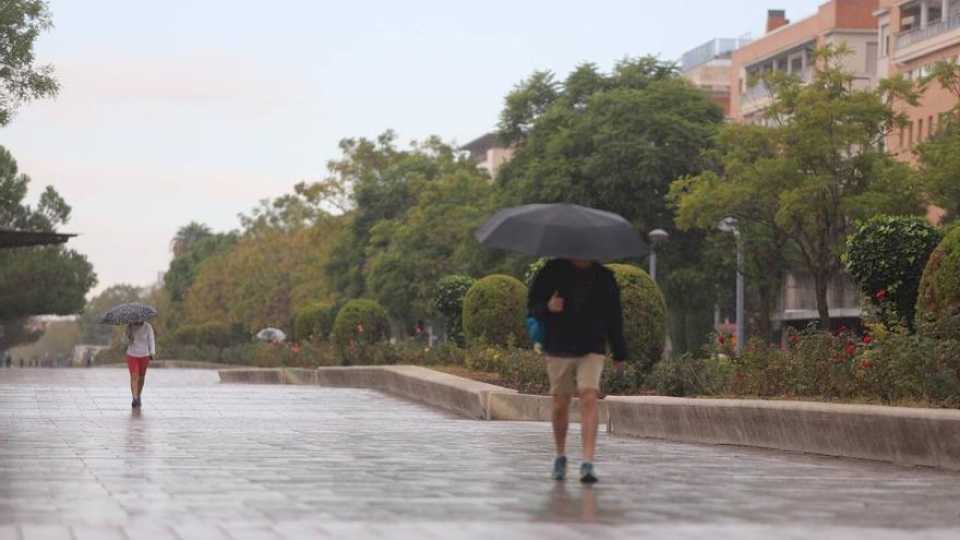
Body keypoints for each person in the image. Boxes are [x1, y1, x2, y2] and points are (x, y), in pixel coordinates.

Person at [529, 257, 626, 484]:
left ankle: (587, 462)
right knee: (560, 402)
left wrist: (620, 353)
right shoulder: (550, 271)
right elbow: (532, 307)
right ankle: (560, 456)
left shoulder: (605, 277)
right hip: (558, 346)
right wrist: (548, 307)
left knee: (589, 395)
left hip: (592, 346)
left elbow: (615, 317)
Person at [125, 321, 156, 408]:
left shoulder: (148, 326)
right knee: (134, 376)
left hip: (144, 355)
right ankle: (134, 398)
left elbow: (151, 339)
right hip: (132, 354)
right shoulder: (130, 326)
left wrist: (152, 352)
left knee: (141, 377)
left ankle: (138, 396)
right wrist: (128, 336)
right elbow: (123, 341)